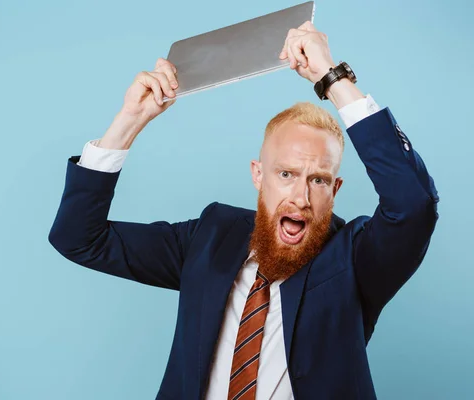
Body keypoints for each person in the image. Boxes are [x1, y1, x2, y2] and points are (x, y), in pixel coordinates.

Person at [48, 21, 439, 400]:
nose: (301, 196)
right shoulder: (210, 236)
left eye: (318, 179)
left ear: (335, 189)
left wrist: (333, 78)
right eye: (286, 173)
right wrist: (128, 123)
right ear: (258, 175)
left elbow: (414, 204)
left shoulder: (356, 260)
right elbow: (79, 238)